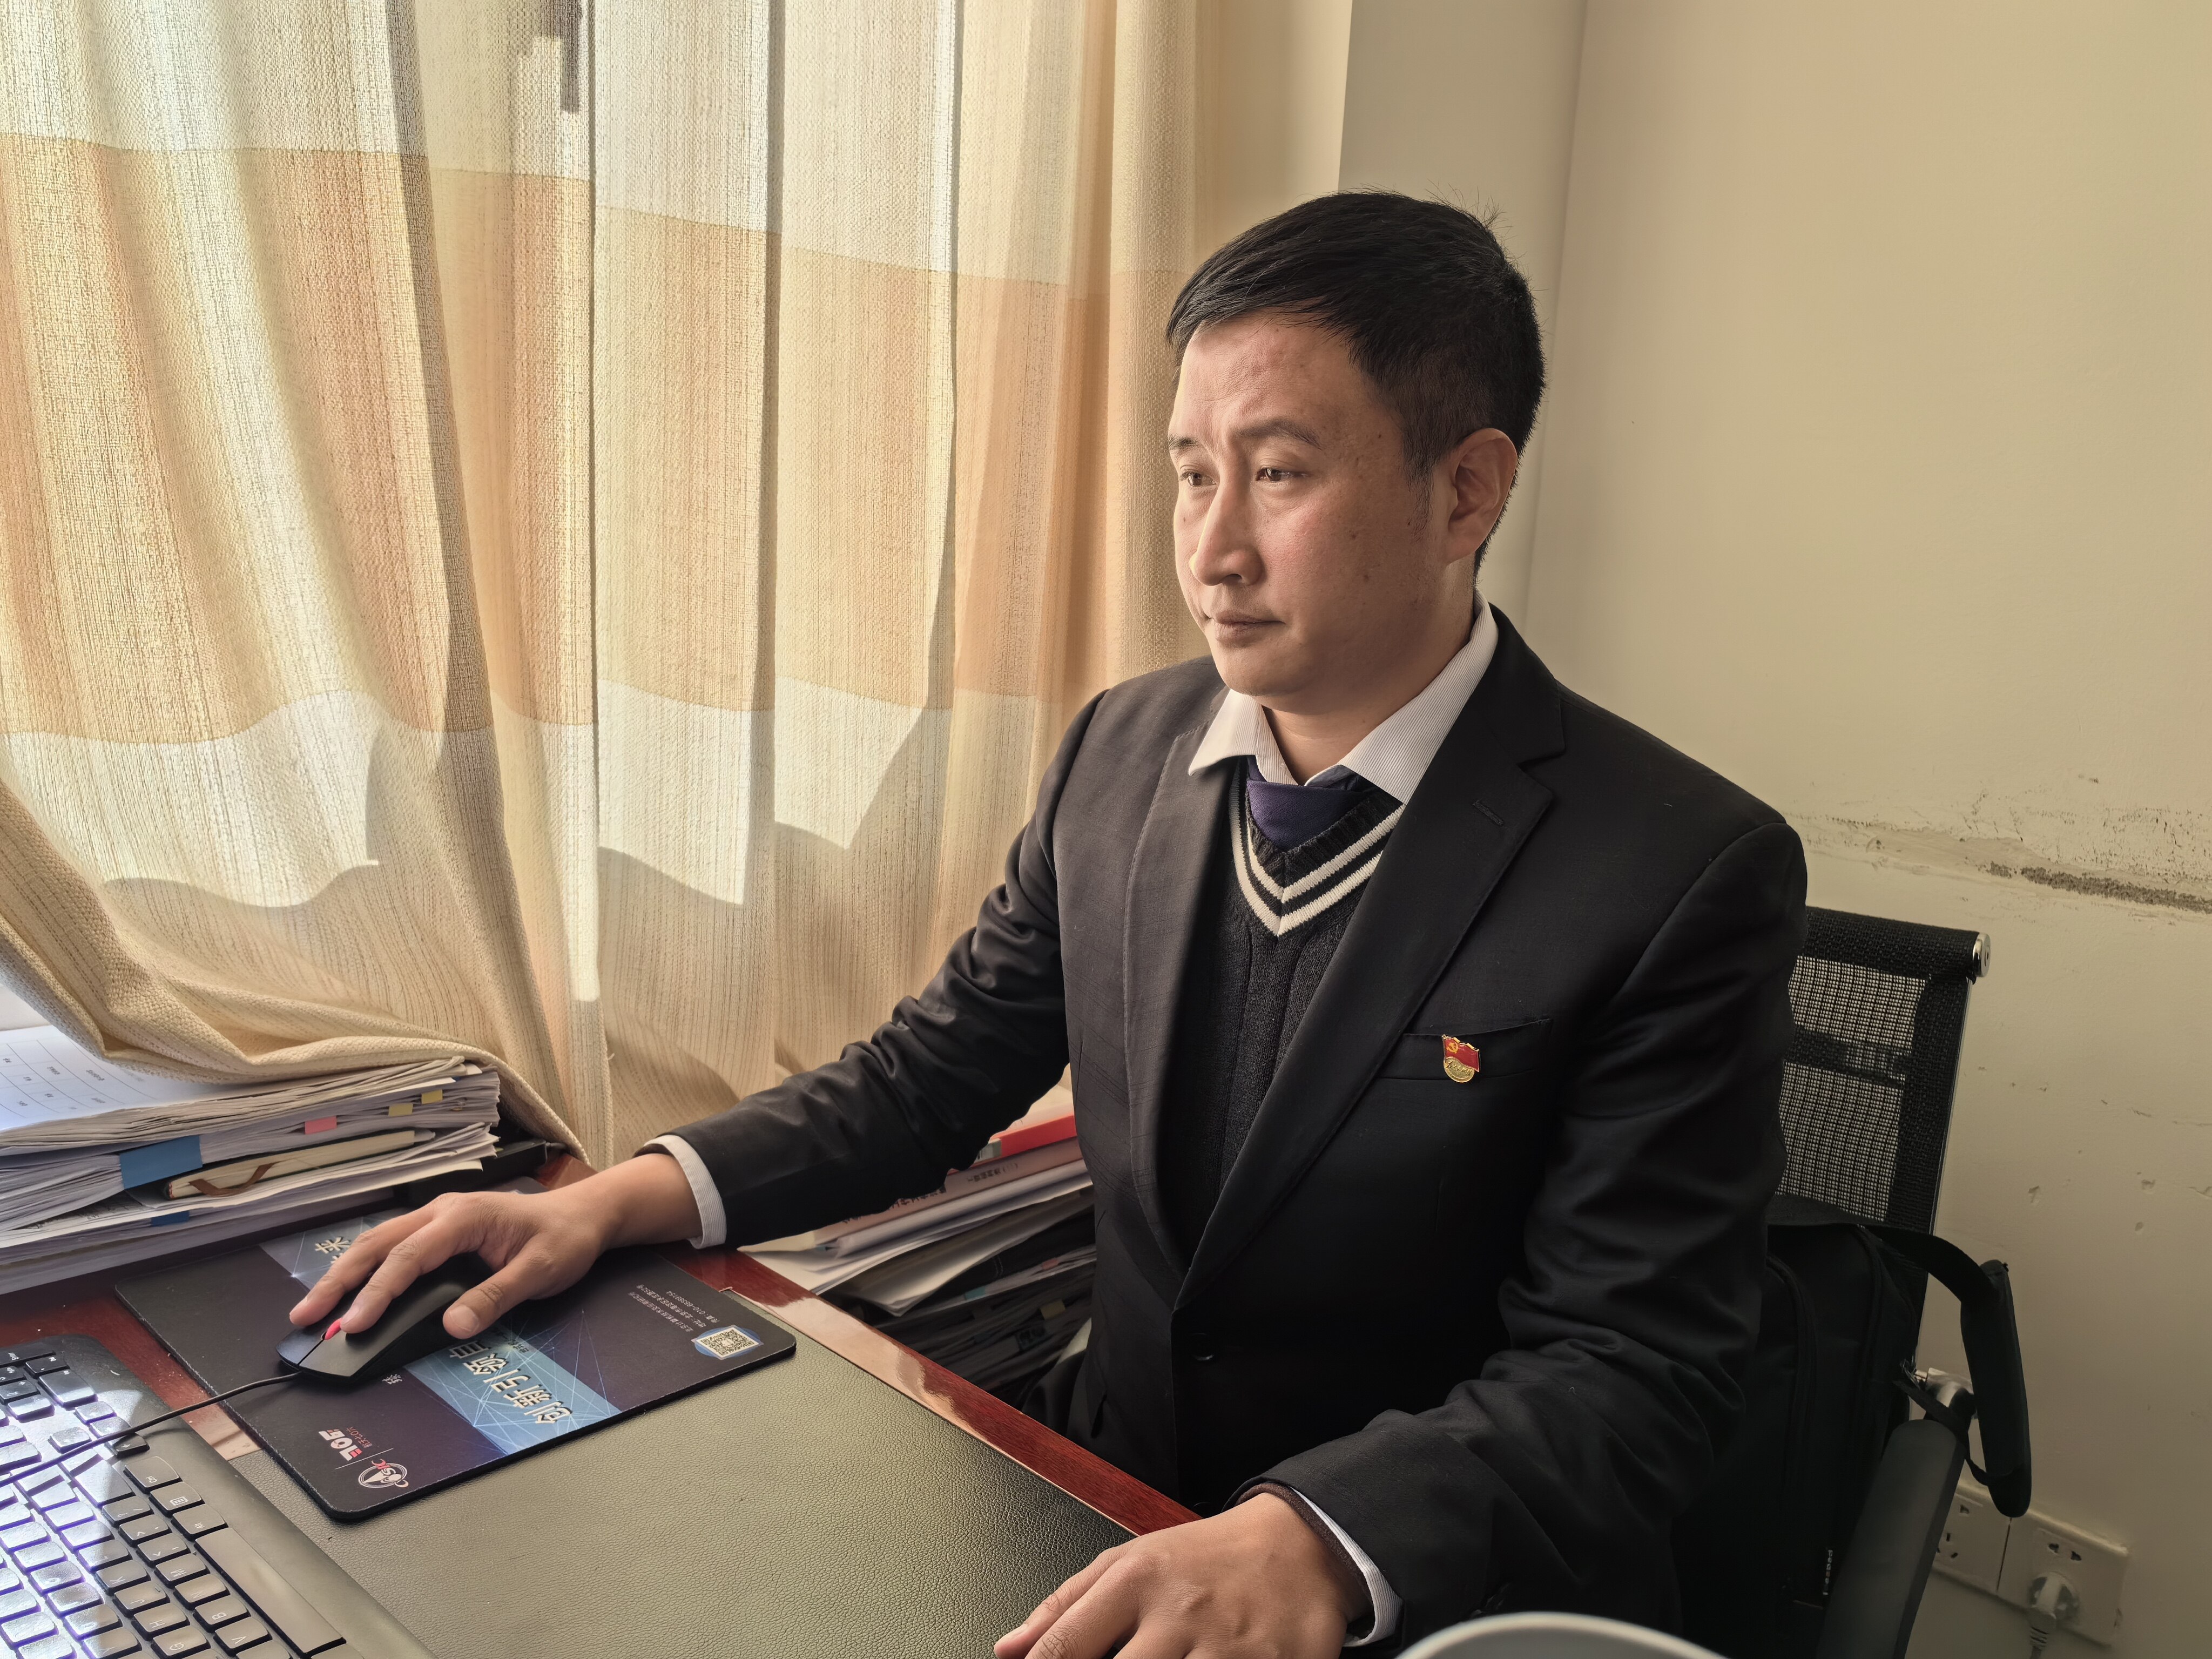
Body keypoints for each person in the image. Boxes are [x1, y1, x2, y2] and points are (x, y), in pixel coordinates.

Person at [292, 191, 1806, 1656]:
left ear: (1466, 492)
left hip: (1420, 1591)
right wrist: (611, 1202)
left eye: (1279, 474)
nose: (1211, 548)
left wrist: (1314, 1538)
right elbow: (930, 1076)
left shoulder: (1674, 867)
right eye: (1191, 473)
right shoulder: (1123, 753)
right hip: (1103, 1507)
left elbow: (1633, 1367)